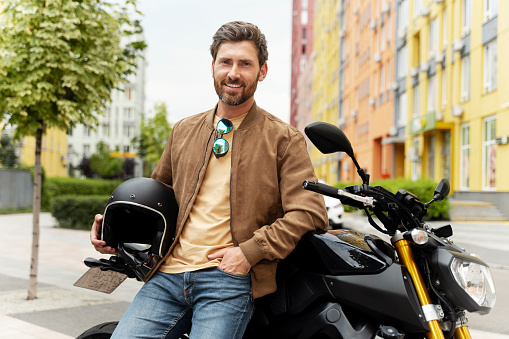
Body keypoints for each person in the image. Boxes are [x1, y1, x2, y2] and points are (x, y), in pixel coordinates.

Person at [90, 21, 327, 339]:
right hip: (169, 274)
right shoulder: (183, 130)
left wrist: (248, 253)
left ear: (262, 71)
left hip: (228, 278)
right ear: (213, 66)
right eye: (226, 62)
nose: (233, 73)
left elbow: (309, 212)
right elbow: (158, 198)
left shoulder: (284, 138)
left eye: (245, 63)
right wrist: (116, 231)